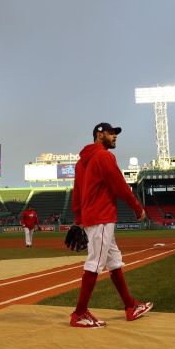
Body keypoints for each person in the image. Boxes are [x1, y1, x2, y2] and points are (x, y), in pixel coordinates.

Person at [69, 122, 151, 328]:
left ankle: (130, 306)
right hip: (102, 217)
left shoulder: (81, 163)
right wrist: (137, 207)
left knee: (113, 261)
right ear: (99, 135)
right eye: (111, 133)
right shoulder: (104, 156)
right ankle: (79, 313)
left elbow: (77, 192)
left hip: (92, 217)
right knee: (95, 263)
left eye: (116, 134)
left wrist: (78, 218)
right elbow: (119, 185)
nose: (115, 136)